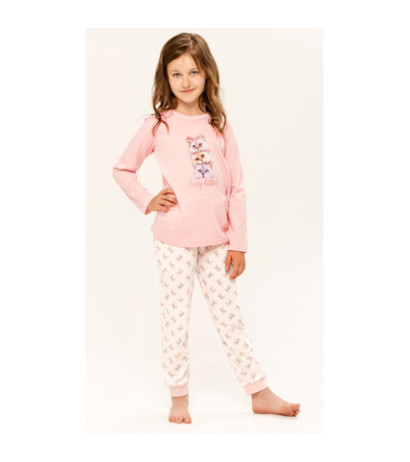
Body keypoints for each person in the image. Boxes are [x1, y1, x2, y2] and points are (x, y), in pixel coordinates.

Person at [112, 32, 301, 424]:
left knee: (230, 317)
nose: (185, 81)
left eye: (193, 72)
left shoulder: (220, 126)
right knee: (176, 319)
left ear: (207, 74)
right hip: (174, 240)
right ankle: (178, 397)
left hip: (217, 241)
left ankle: (259, 392)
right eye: (176, 73)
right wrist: (148, 199)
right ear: (165, 77)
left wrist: (238, 243)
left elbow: (236, 188)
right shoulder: (157, 125)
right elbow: (123, 169)